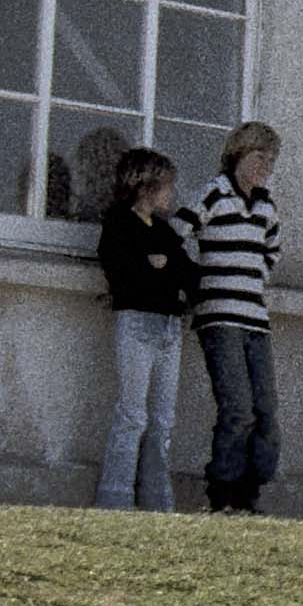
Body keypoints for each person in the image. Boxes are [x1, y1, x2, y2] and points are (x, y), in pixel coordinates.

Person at [81, 137, 196, 513]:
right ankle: (115, 498)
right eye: (165, 185)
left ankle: (156, 501)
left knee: (163, 419)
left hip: (168, 328)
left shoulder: (163, 230)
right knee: (132, 414)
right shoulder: (119, 223)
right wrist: (156, 269)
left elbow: (187, 274)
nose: (170, 194)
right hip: (137, 324)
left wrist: (165, 269)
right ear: (145, 185)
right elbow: (121, 273)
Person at [186, 122, 285, 514]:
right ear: (238, 154)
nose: (265, 167)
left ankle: (251, 490)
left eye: (271, 160)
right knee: (237, 408)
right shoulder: (214, 194)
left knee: (266, 410)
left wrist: (253, 275)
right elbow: (182, 233)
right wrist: (201, 282)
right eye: (259, 157)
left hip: (255, 319)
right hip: (220, 316)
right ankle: (222, 490)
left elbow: (272, 252)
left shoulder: (265, 206)